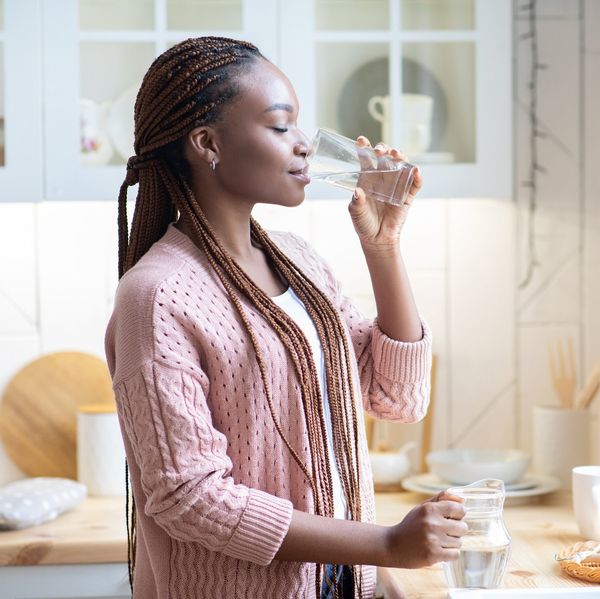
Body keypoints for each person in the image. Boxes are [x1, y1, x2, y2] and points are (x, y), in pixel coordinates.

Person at [104, 36, 467, 599]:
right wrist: (385, 545)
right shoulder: (155, 296)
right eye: (281, 127)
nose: (304, 146)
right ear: (208, 144)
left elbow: (397, 398)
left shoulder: (298, 259)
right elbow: (191, 499)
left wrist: (384, 246)